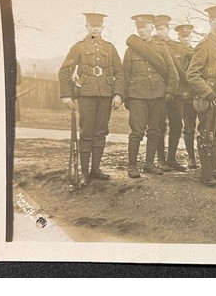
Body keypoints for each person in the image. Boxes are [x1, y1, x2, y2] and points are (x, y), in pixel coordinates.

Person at [58, 13, 125, 187]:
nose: (95, 28)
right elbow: (65, 71)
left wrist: (118, 94)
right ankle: (85, 172)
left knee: (101, 132)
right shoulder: (78, 47)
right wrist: (66, 95)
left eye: (99, 26)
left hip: (106, 95)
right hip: (86, 94)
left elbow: (120, 72)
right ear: (87, 26)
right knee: (87, 132)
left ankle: (96, 169)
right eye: (92, 25)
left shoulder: (110, 48)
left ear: (103, 28)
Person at [123, 14, 179, 178]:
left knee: (154, 131)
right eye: (138, 28)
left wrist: (170, 91)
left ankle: (149, 164)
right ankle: (132, 166)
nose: (141, 31)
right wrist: (126, 97)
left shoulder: (161, 49)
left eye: (144, 28)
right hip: (137, 96)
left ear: (151, 28)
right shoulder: (130, 50)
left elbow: (173, 73)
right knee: (136, 132)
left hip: (158, 95)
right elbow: (126, 74)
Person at [186, 5, 216, 186]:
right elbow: (192, 74)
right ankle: (205, 173)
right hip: (211, 98)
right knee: (207, 134)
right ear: (210, 21)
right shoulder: (204, 45)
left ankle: (214, 170)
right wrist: (208, 93)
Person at [153, 14, 189, 171]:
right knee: (160, 125)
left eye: (161, 28)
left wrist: (186, 90)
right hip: (159, 92)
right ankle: (160, 160)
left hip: (177, 93)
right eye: (156, 28)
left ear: (168, 29)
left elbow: (185, 71)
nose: (159, 31)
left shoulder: (178, 47)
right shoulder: (151, 46)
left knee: (176, 126)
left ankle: (172, 159)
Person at [175, 23, 199, 169]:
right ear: (178, 37)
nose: (185, 39)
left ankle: (201, 157)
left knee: (198, 127)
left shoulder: (197, 52)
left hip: (194, 95)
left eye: (188, 36)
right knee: (186, 128)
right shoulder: (174, 53)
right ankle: (191, 158)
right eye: (182, 36)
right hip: (180, 96)